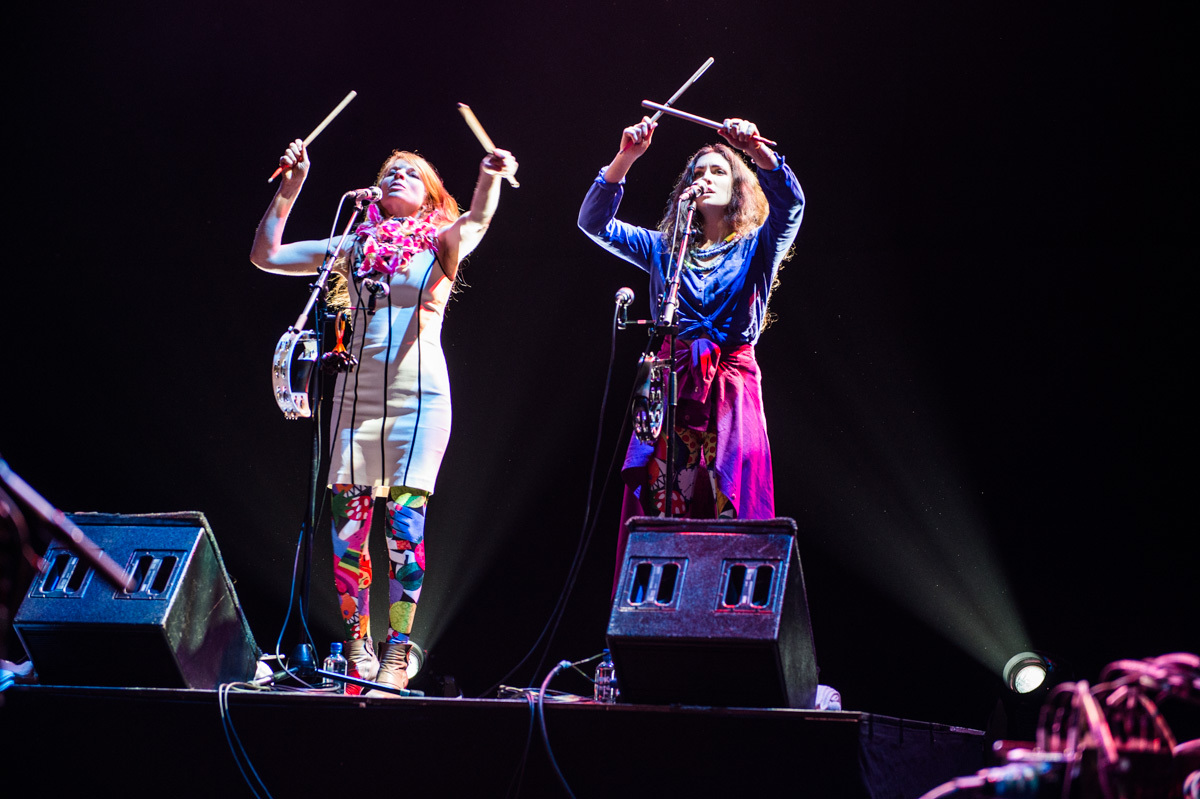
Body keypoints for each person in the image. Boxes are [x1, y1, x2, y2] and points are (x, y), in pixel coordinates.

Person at [251, 139, 518, 692]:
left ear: (430, 195)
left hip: (418, 400)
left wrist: (489, 177)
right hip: (353, 399)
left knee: (403, 527)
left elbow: (478, 219)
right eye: (391, 171)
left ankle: (397, 649)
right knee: (347, 532)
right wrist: (292, 187)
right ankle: (357, 647)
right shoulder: (353, 244)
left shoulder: (441, 241)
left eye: (411, 173)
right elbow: (267, 254)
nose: (397, 175)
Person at [577, 116, 804, 579]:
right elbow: (593, 222)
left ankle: (730, 608)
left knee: (730, 503)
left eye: (718, 171)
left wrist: (754, 150)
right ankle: (654, 609)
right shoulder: (664, 247)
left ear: (738, 187)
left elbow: (791, 204)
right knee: (663, 506)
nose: (705, 178)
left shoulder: (758, 246)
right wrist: (625, 158)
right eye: (698, 173)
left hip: (729, 388)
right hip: (671, 386)